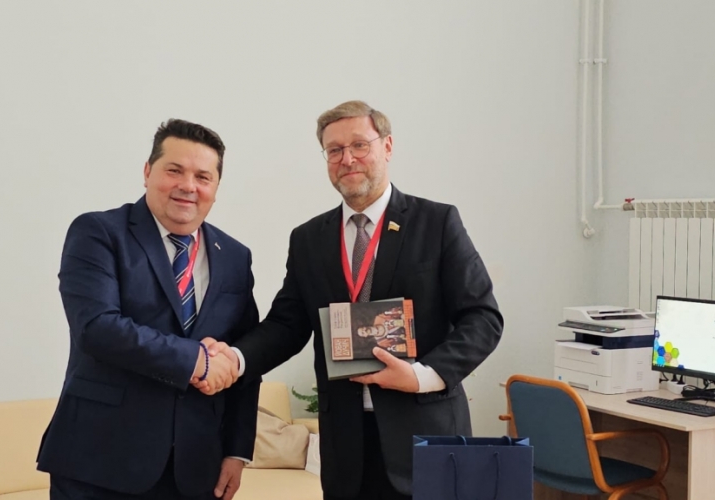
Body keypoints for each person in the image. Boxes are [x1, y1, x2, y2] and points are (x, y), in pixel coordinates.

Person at [204, 100, 504, 500]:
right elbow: (287, 325)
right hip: (346, 446)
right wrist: (235, 358)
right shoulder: (309, 239)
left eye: (359, 145)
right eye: (334, 150)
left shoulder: (436, 222)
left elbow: (483, 318)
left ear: (387, 146)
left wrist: (421, 376)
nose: (347, 159)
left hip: (425, 434)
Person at [37, 119, 259, 500]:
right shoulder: (98, 233)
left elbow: (243, 355)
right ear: (147, 172)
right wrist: (196, 360)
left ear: (216, 187)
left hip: (195, 469)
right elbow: (98, 328)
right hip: (99, 462)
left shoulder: (235, 257)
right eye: (174, 170)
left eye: (203, 177)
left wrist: (237, 450)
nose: (188, 186)